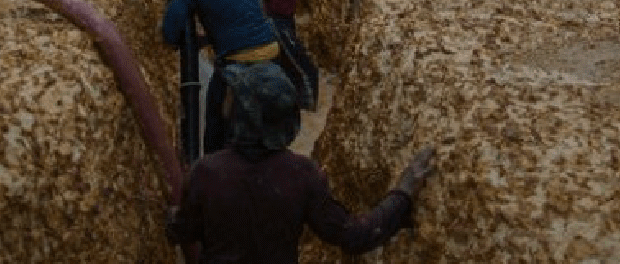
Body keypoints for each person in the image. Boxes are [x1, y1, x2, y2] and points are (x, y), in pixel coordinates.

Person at [165, 60, 435, 264]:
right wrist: (404, 191)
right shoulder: (302, 175)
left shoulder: (206, 173)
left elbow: (185, 231)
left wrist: (173, 218)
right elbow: (354, 236)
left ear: (243, 116)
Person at [160, 0, 282, 161]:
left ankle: (214, 179)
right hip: (271, 51)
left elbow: (170, 33)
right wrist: (208, 38)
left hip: (239, 63)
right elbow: (239, 11)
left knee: (216, 132)